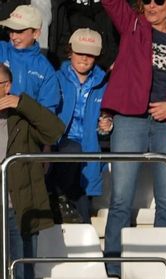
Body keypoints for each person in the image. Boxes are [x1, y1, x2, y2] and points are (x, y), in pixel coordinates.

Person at [98, 0, 166, 279]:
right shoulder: (133, 23)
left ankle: (162, 271)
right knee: (120, 199)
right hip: (129, 119)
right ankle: (112, 271)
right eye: (146, 0)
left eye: (158, 0)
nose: (151, 5)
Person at [0, 63, 64, 279]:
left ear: (9, 85)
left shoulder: (21, 116)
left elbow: (55, 130)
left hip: (21, 209)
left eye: (1, 84)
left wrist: (22, 103)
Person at [48, 27, 110, 225]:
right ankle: (57, 198)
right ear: (69, 51)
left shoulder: (105, 83)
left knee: (81, 207)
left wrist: (106, 125)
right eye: (79, 52)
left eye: (90, 55)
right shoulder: (55, 78)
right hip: (61, 146)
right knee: (72, 153)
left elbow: (106, 121)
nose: (84, 58)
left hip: (90, 149)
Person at [0, 6, 64, 120]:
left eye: (20, 31)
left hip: (25, 128)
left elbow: (47, 111)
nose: (14, 36)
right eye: (11, 30)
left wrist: (22, 104)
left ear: (36, 34)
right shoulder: (1, 50)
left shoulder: (45, 68)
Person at [51, 0, 120, 67]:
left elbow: (115, 36)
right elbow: (62, 38)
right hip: (68, 65)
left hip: (106, 64)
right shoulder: (64, 5)